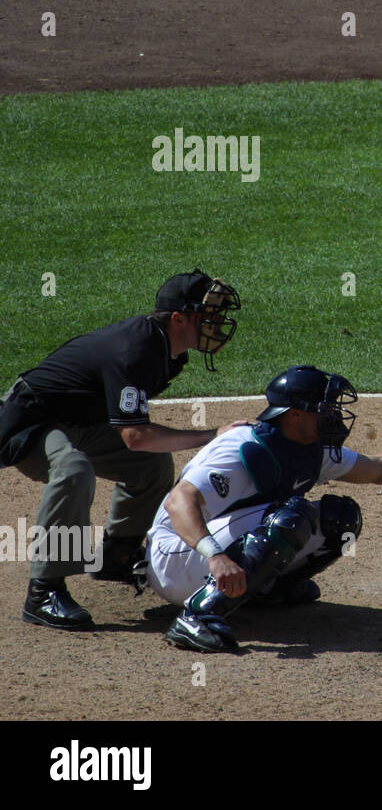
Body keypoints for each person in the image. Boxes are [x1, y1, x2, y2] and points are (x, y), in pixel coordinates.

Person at [146, 367, 382, 653]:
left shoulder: (309, 448)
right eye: (326, 409)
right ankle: (196, 617)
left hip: (211, 554)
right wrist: (214, 557)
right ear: (296, 415)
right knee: (291, 518)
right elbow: (179, 502)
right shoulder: (242, 447)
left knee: (340, 518)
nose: (335, 416)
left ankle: (266, 590)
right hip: (175, 557)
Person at [0, 269, 242, 631]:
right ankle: (44, 591)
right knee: (73, 470)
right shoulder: (136, 350)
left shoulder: (165, 350)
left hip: (80, 422)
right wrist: (212, 433)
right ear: (178, 318)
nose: (218, 322)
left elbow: (136, 441)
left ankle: (118, 555)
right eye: (208, 315)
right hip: (31, 421)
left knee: (151, 464)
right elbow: (135, 436)